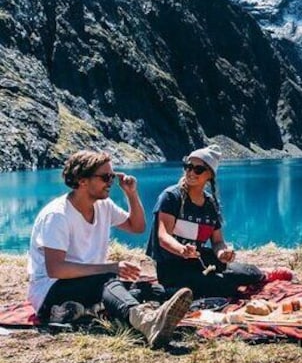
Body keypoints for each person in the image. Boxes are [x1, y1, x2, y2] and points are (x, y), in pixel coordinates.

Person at [27, 150, 193, 348]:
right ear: (82, 180)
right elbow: (56, 269)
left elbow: (137, 226)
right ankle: (146, 321)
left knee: (150, 289)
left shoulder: (103, 205)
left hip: (89, 281)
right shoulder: (57, 215)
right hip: (50, 291)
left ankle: (79, 310)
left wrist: (131, 194)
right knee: (109, 281)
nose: (110, 182)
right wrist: (110, 267)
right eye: (105, 177)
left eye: (112, 176)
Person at [147, 145, 266, 298]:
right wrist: (182, 250)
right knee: (223, 286)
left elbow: (217, 241)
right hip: (171, 265)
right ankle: (169, 291)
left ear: (210, 174)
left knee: (251, 274)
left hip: (198, 261)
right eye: (188, 167)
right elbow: (163, 237)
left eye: (198, 169)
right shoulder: (171, 197)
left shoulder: (210, 204)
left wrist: (223, 253)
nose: (191, 172)